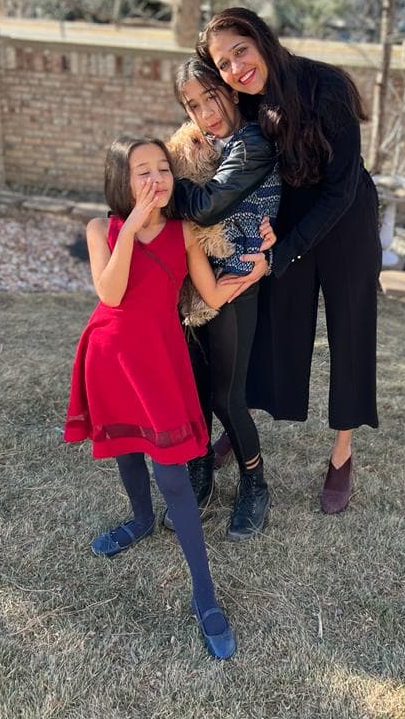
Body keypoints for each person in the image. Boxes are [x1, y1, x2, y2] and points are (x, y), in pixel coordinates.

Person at [64, 135, 267, 659]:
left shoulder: (185, 232)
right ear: (122, 179)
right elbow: (110, 293)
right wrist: (133, 224)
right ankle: (138, 519)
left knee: (173, 475)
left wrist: (252, 271)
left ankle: (205, 596)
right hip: (110, 356)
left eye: (163, 168)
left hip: (159, 360)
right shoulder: (100, 229)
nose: (156, 179)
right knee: (126, 449)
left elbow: (210, 294)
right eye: (143, 171)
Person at [195, 7, 381, 515]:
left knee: (350, 332)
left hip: (346, 219)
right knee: (273, 326)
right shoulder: (245, 101)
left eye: (240, 51)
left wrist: (282, 251)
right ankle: (241, 421)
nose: (236, 68)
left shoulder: (327, 86)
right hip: (285, 220)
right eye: (224, 63)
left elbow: (340, 189)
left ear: (262, 40)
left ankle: (342, 452)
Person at [170, 58, 280, 541]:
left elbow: (205, 206)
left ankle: (255, 483)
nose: (205, 113)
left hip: (235, 279)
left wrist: (161, 184)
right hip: (192, 281)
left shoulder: (251, 142)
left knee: (226, 397)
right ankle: (200, 469)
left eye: (210, 97)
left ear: (231, 92)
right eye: (192, 106)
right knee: (193, 387)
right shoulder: (205, 144)